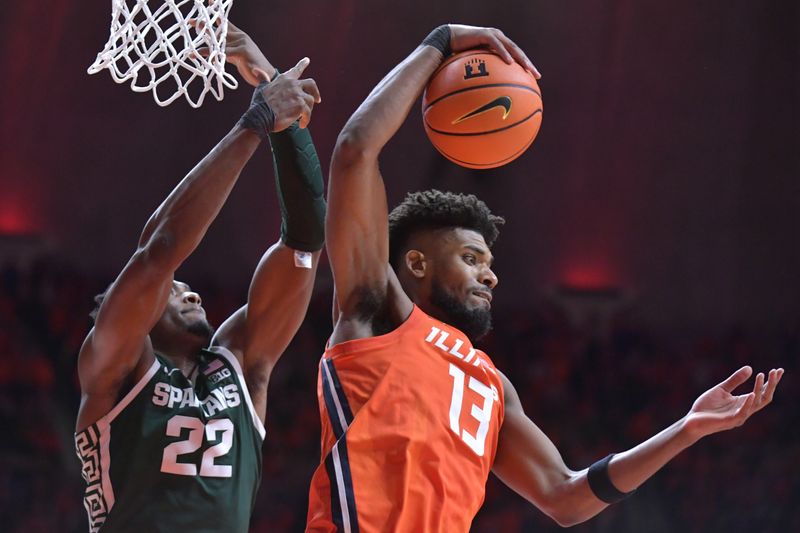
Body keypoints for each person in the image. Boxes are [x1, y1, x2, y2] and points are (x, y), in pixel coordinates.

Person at [305, 24, 784, 532]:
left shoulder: (491, 384)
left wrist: (686, 429)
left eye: (489, 263)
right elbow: (356, 150)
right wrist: (440, 43)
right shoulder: (375, 309)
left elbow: (566, 496)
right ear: (417, 264)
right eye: (471, 257)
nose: (490, 276)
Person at [74, 24, 325, 532]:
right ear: (128, 314)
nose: (188, 289)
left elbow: (304, 243)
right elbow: (159, 253)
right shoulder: (114, 367)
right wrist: (256, 119)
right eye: (173, 291)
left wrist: (285, 118)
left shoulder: (241, 363)